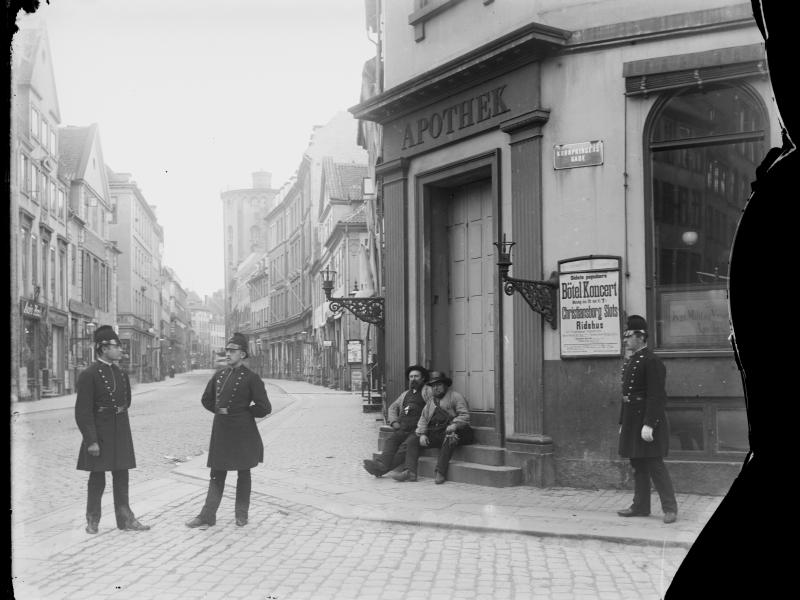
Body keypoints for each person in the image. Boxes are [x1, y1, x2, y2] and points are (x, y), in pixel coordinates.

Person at [186, 333, 272, 528]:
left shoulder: (252, 378)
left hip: (243, 431)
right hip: (222, 429)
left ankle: (241, 515)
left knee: (244, 472)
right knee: (217, 472)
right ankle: (207, 515)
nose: (228, 354)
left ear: (242, 354)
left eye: (232, 351)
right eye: (227, 350)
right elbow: (206, 400)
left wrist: (245, 412)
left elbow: (265, 407)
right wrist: (220, 411)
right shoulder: (219, 375)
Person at [75, 325, 150, 534]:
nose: (121, 350)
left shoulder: (120, 373)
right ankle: (92, 520)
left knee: (121, 476)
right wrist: (91, 440)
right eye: (117, 346)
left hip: (120, 431)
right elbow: (82, 412)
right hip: (99, 433)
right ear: (103, 348)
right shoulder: (88, 375)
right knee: (97, 478)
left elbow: (127, 401)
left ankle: (125, 519)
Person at [616, 315, 677, 524]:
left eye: (629, 335)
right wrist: (623, 422)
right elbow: (627, 396)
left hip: (647, 420)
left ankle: (670, 509)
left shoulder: (652, 361)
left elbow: (657, 396)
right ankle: (640, 506)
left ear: (641, 336)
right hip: (633, 420)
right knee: (638, 465)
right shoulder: (632, 360)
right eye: (624, 336)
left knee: (654, 465)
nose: (625, 340)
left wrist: (650, 424)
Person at [393, 371, 473, 484]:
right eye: (433, 386)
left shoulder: (455, 397)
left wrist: (454, 425)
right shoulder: (431, 402)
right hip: (439, 431)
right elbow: (423, 419)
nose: (436, 388)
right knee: (413, 439)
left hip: (460, 431)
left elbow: (464, 415)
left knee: (449, 437)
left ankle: (440, 472)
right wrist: (422, 434)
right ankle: (410, 471)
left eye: (439, 385)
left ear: (445, 385)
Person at [362, 364, 430, 477]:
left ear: (423, 378)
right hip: (403, 428)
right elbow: (392, 408)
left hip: (417, 430)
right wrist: (394, 422)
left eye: (416, 376)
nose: (413, 379)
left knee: (405, 446)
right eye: (411, 377)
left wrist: (422, 430)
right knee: (391, 440)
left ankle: (381, 469)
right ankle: (381, 463)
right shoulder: (405, 394)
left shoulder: (427, 391)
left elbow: (431, 410)